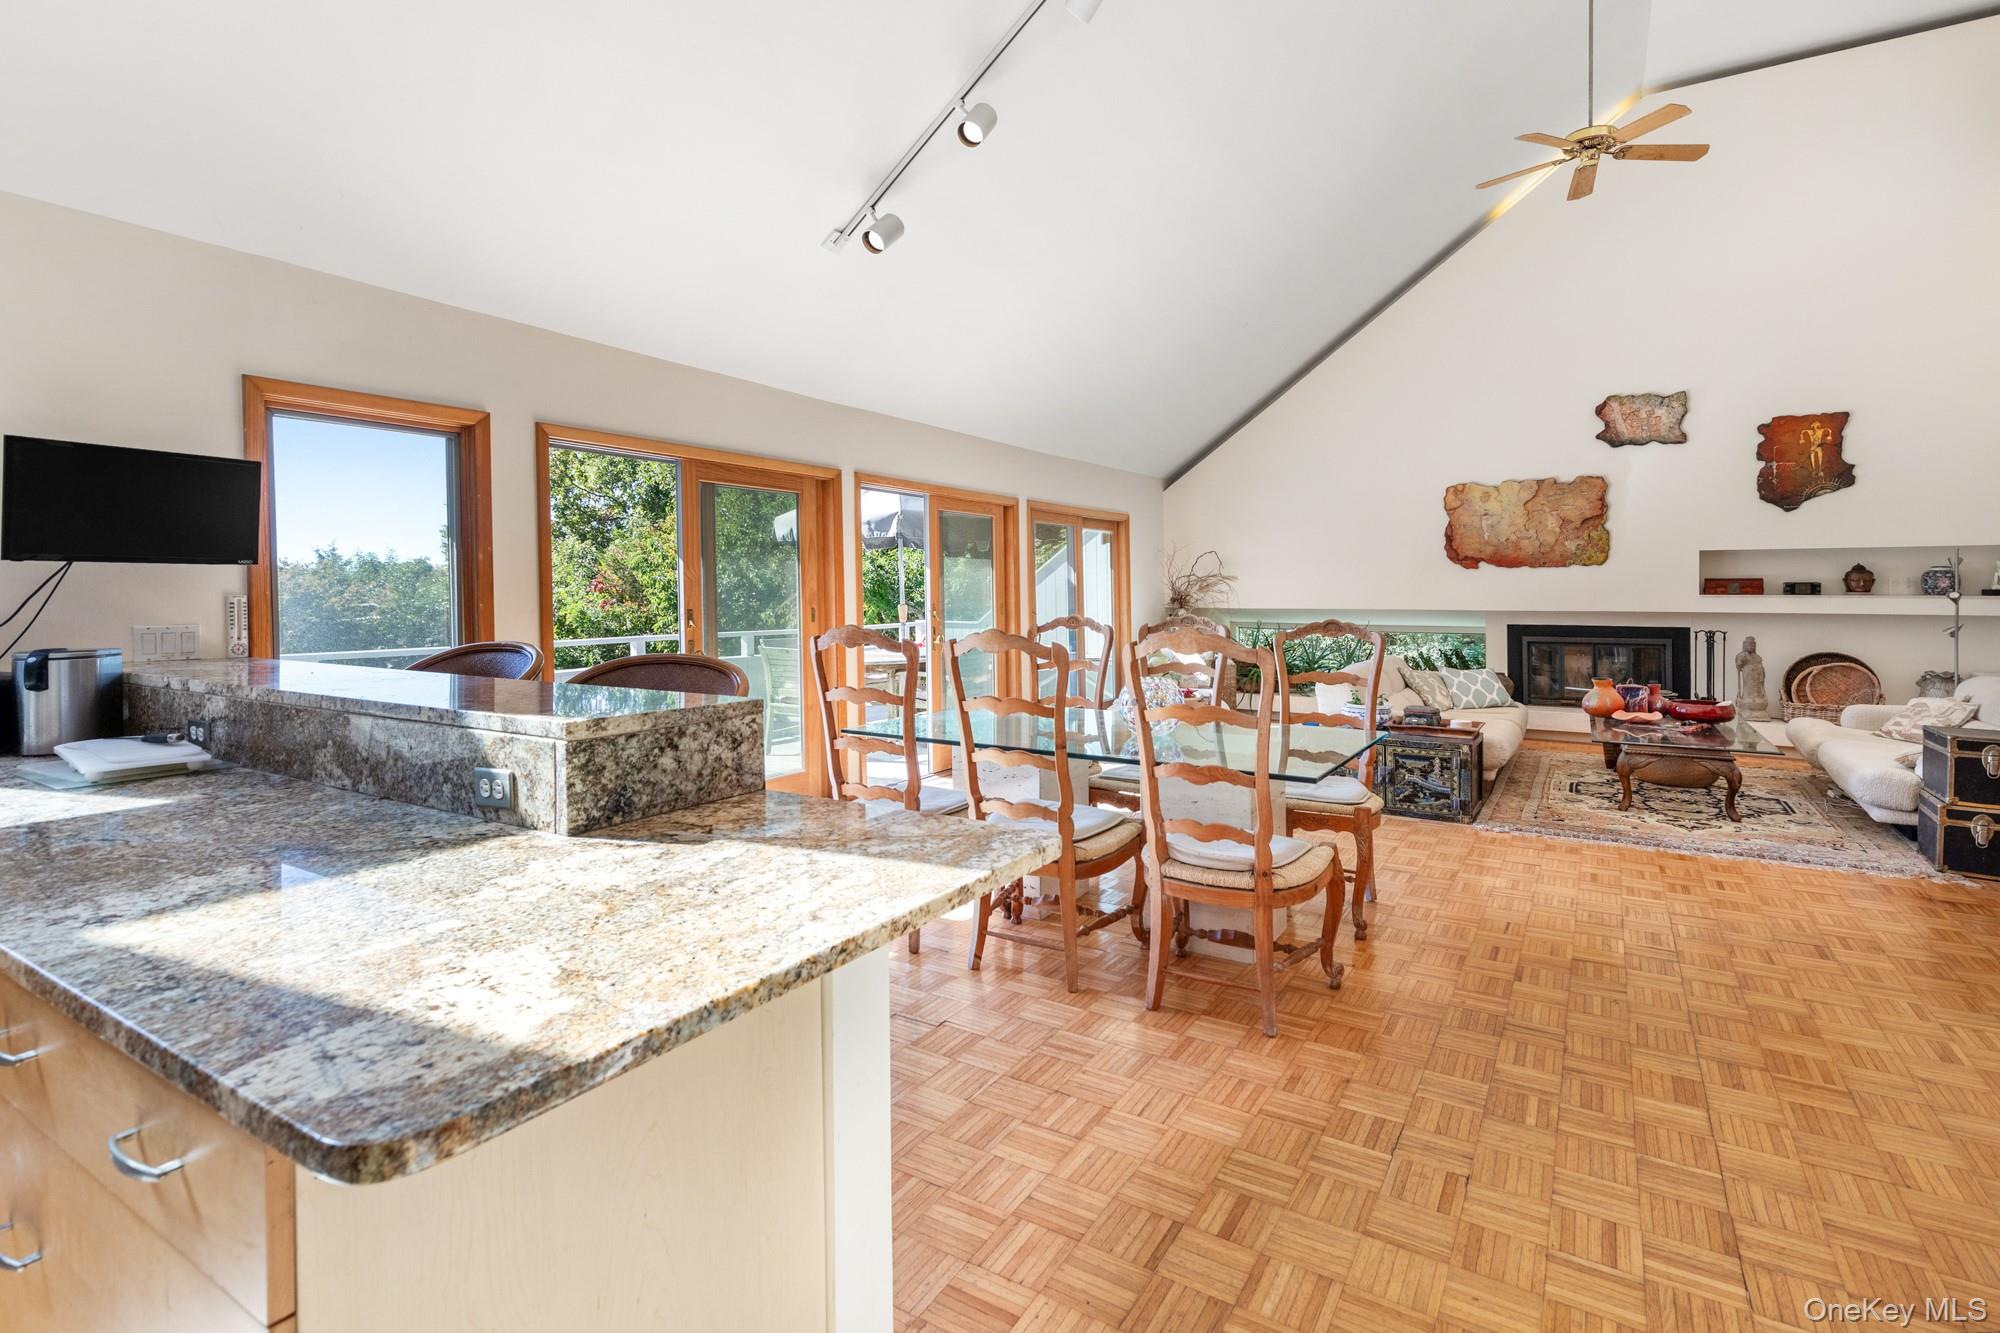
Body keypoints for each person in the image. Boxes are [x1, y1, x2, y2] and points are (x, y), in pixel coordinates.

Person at [1734, 636, 1768, 719]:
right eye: (1748, 644)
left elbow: (1761, 666)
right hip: (1748, 676)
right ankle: (1747, 703)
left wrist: (1761, 673)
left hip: (1757, 677)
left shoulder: (1758, 657)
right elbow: (1738, 666)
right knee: (1748, 690)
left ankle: (1758, 703)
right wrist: (1742, 661)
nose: (1750, 646)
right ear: (1744, 645)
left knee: (1758, 692)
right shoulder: (1742, 655)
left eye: (1752, 645)